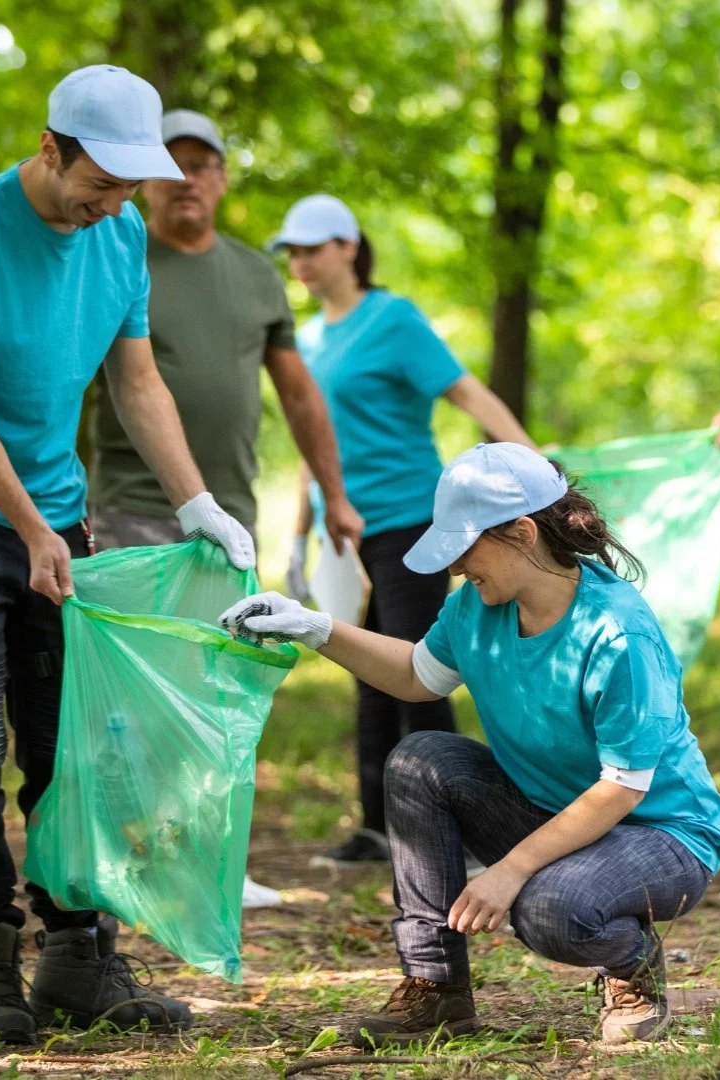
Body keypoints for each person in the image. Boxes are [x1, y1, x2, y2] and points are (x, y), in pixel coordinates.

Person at [0, 66, 257, 1046]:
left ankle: (78, 957)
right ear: (51, 147)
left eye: (131, 188)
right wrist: (33, 530)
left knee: (74, 750)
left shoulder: (122, 231)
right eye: (101, 184)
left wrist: (199, 502)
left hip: (53, 513)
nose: (113, 207)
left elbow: (135, 384)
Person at [220, 442, 720, 1047]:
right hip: (552, 809)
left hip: (659, 832)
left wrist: (508, 871)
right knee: (420, 759)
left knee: (548, 909)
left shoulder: (617, 632)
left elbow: (622, 787)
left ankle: (631, 966)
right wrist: (314, 627)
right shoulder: (474, 609)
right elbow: (413, 675)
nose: (455, 567)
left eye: (465, 548)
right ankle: (436, 993)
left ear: (521, 532)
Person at [269, 195, 535, 862]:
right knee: (365, 670)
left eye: (312, 247)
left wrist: (533, 463)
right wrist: (299, 536)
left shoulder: (392, 319)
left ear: (348, 247)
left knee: (421, 669)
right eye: (292, 251)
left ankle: (463, 829)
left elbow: (466, 392)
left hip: (413, 521)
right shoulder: (307, 339)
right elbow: (312, 446)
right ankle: (376, 826)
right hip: (347, 534)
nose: (300, 261)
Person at [89, 112, 362, 555]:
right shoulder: (114, 262)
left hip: (231, 511)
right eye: (170, 166)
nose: (185, 179)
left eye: (199, 166)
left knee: (226, 629)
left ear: (222, 179)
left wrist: (334, 498)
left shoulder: (258, 274)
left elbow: (299, 396)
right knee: (135, 629)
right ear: (144, 181)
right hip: (132, 508)